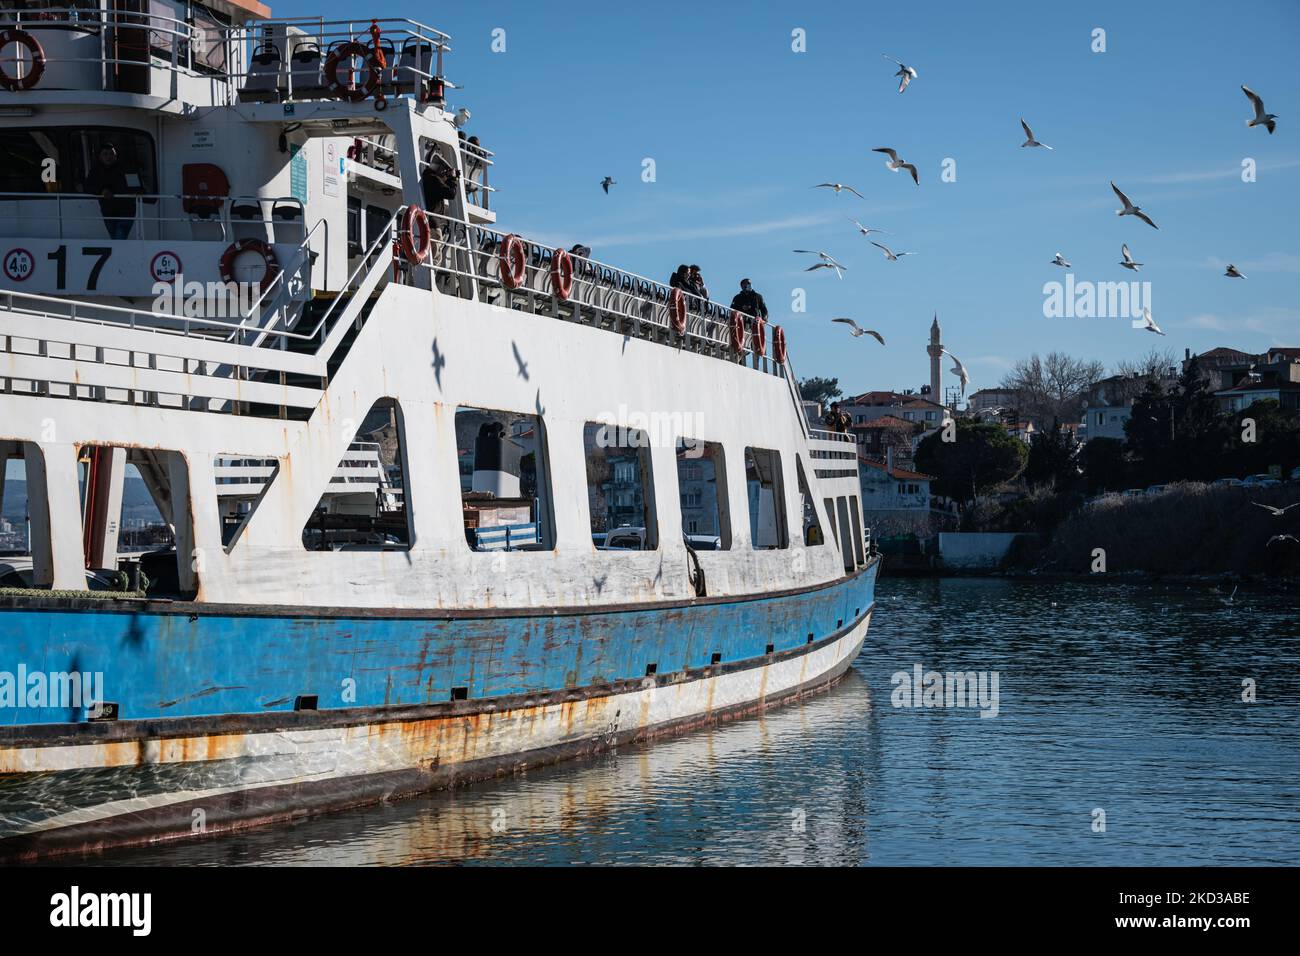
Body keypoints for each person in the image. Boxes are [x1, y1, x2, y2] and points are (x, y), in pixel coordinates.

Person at [83, 143, 135, 240]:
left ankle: (120, 254)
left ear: (116, 156)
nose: (109, 156)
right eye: (105, 154)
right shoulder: (95, 171)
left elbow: (136, 186)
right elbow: (87, 187)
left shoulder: (126, 169)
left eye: (111, 154)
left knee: (120, 237)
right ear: (100, 156)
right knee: (115, 238)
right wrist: (101, 191)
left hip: (126, 210)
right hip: (108, 211)